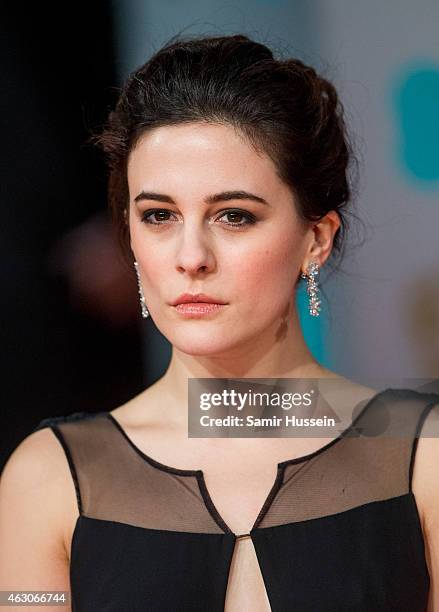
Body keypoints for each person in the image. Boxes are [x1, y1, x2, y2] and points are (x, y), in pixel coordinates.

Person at [1, 33, 438, 612]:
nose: (190, 256)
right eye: (158, 216)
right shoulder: (49, 477)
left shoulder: (424, 456)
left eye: (234, 216)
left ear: (316, 239)